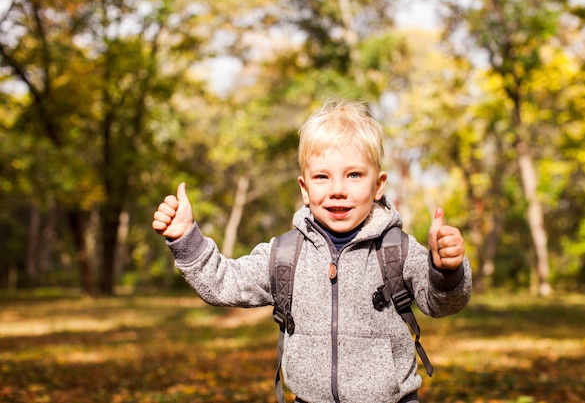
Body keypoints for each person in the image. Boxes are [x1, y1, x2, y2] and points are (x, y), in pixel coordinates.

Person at [152, 98, 472, 403]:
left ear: (378, 185)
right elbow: (224, 283)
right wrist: (186, 238)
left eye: (354, 175)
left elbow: (441, 303)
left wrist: (446, 269)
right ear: (305, 188)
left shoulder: (396, 250)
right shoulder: (285, 254)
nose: (337, 190)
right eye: (322, 177)